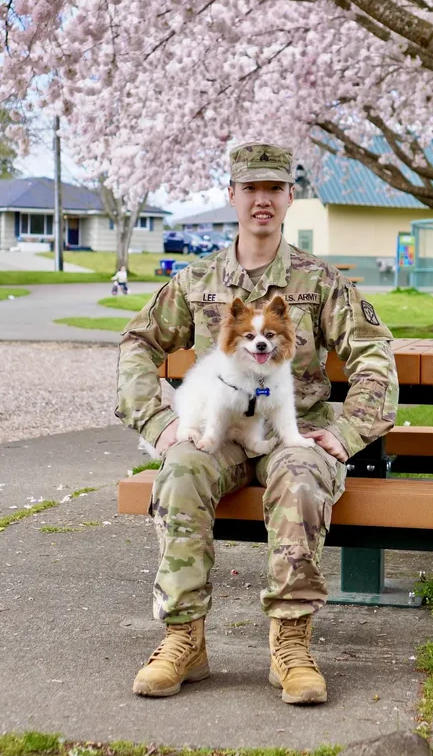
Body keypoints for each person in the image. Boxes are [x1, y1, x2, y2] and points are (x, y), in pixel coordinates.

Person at [116, 144, 399, 704]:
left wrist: (343, 435)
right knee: (181, 469)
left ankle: (290, 644)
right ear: (232, 196)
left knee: (298, 475)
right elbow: (137, 343)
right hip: (217, 430)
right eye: (250, 189)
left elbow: (373, 356)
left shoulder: (318, 282)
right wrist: (157, 422)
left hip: (293, 429)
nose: (262, 200)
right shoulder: (196, 279)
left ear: (290, 197)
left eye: (274, 189)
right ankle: (183, 639)